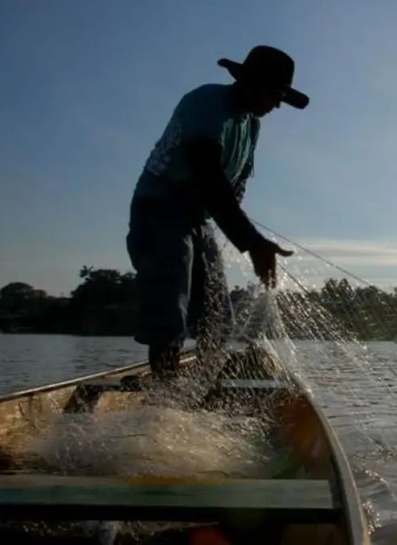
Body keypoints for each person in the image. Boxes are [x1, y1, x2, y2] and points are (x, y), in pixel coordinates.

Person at [126, 45, 308, 379]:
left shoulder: (251, 125)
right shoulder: (207, 104)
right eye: (274, 93)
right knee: (170, 299)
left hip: (198, 219)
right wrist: (252, 242)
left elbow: (232, 188)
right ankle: (163, 395)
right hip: (159, 209)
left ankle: (203, 386)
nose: (278, 104)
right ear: (250, 82)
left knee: (217, 315)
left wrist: (244, 235)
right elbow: (208, 178)